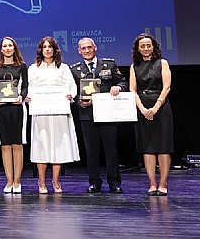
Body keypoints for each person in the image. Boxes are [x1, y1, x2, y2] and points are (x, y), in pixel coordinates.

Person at [70, 37, 127, 194]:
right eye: (84, 48)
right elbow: (72, 93)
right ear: (79, 51)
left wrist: (118, 87)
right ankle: (94, 182)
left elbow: (123, 82)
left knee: (111, 150)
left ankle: (114, 182)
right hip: (87, 115)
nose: (87, 50)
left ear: (95, 48)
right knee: (91, 151)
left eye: (89, 47)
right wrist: (79, 102)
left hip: (108, 114)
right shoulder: (74, 70)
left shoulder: (109, 65)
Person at [27, 36, 79, 194]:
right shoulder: (33, 68)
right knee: (41, 146)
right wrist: (28, 98)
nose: (47, 50)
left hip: (59, 112)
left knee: (58, 146)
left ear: (55, 50)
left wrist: (71, 95)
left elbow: (72, 87)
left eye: (50, 47)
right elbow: (28, 87)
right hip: (41, 113)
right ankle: (41, 182)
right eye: (45, 47)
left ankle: (56, 181)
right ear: (41, 50)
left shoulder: (63, 68)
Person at [130, 33, 173, 196]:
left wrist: (155, 107)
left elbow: (167, 87)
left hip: (161, 107)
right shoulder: (134, 66)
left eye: (149, 45)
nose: (146, 48)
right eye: (143, 46)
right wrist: (141, 108)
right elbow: (133, 90)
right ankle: (152, 184)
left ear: (154, 46)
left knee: (163, 146)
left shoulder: (162, 63)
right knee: (147, 147)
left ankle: (163, 183)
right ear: (138, 49)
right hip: (142, 106)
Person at [0, 36, 28, 194]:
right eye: (4, 46)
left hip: (18, 109)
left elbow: (26, 86)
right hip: (1, 109)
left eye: (10, 46)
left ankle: (18, 181)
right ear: (1, 49)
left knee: (17, 145)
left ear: (14, 48)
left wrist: (22, 96)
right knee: (5, 145)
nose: (7, 48)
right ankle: (9, 181)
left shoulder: (22, 66)